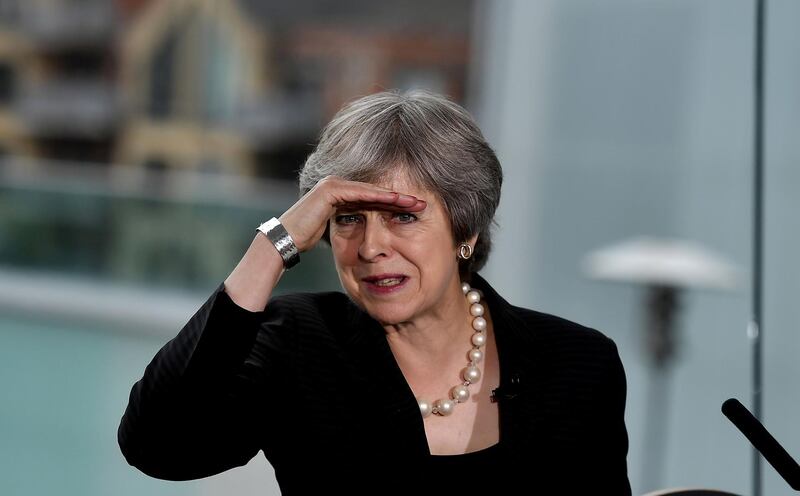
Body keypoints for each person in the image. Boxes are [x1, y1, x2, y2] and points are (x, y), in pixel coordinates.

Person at [118, 90, 631, 494]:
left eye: (403, 216)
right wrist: (272, 246)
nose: (370, 247)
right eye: (347, 219)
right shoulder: (296, 344)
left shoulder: (579, 364)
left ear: (465, 229)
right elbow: (158, 445)